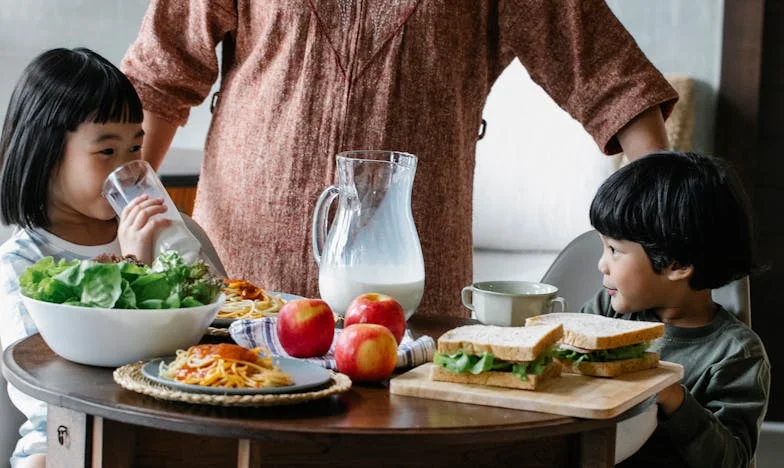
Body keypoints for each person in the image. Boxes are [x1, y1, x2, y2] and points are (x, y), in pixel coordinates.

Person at [121, 1, 678, 316]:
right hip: (240, 282)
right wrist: (117, 220)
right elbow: (157, 76)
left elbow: (611, 77)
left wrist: (668, 225)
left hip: (411, 292)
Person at [0, 47, 176, 468]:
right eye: (107, 152)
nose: (127, 169)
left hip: (162, 420)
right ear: (46, 154)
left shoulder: (150, 235)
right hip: (63, 430)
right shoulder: (21, 262)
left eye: (135, 148)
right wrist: (132, 268)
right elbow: (49, 382)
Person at [580, 151, 770, 467]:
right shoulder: (606, 312)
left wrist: (673, 396)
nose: (602, 264)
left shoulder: (735, 354)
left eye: (615, 250)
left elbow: (733, 459)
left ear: (677, 264)